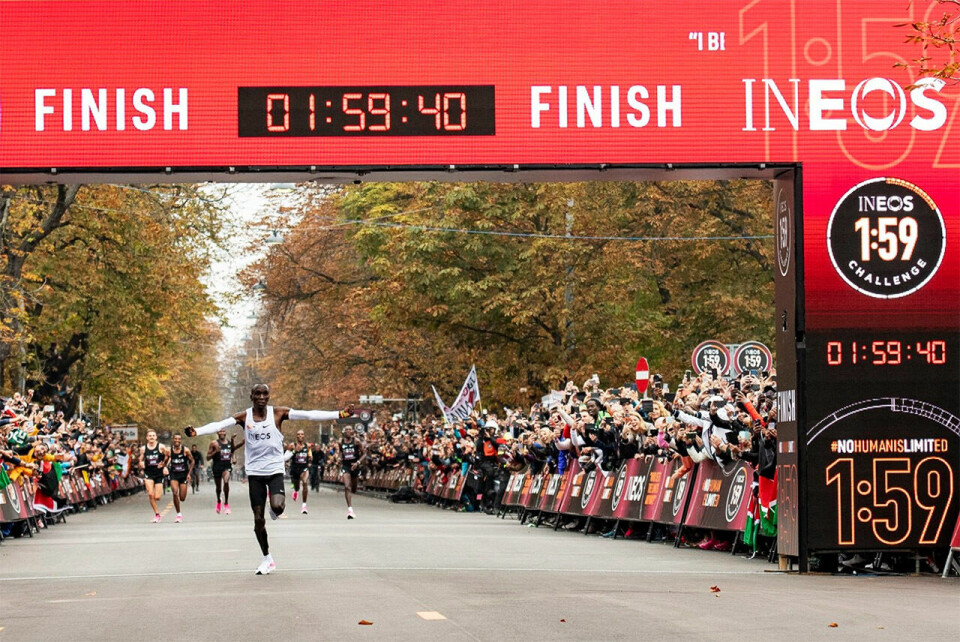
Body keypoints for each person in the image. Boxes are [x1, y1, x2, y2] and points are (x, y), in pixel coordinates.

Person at [186, 384, 353, 575]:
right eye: (257, 394)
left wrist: (340, 414)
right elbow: (220, 424)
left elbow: (308, 415)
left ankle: (273, 508)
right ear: (252, 396)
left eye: (265, 394)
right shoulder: (244, 416)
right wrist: (196, 432)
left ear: (268, 396)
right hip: (255, 472)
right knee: (258, 520)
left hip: (274, 469)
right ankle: (267, 558)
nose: (261, 397)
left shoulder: (278, 414)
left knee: (278, 507)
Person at [208, 428, 243, 514]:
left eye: (223, 431)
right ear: (217, 433)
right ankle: (218, 501)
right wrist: (215, 451)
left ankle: (226, 504)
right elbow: (208, 457)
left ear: (225, 433)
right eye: (220, 431)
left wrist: (240, 442)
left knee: (226, 481)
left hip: (227, 466)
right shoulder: (214, 443)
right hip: (217, 467)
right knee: (218, 488)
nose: (222, 433)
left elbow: (233, 451)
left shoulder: (229, 443)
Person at [139, 429, 169, 523]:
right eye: (150, 436)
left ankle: (158, 491)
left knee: (157, 497)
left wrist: (164, 465)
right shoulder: (143, 449)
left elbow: (168, 456)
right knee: (150, 494)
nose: (151, 437)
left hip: (159, 473)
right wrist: (141, 463)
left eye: (153, 435)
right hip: (148, 472)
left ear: (156, 437)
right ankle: (157, 514)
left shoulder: (161, 447)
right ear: (147, 438)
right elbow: (141, 459)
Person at [337, 425, 365, 519]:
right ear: (344, 431)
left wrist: (358, 462)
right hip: (346, 466)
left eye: (350, 429)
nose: (348, 431)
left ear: (352, 431)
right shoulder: (341, 442)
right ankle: (350, 509)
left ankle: (351, 506)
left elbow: (364, 454)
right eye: (346, 429)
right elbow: (341, 452)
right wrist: (339, 458)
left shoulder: (356, 441)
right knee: (346, 486)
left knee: (353, 489)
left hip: (355, 466)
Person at [168, 433, 195, 523]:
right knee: (175, 493)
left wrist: (189, 473)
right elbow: (165, 460)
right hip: (173, 474)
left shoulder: (185, 450)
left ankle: (179, 505)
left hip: (183, 474)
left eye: (178, 439)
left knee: (182, 498)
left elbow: (192, 461)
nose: (177, 440)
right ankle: (178, 514)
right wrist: (164, 466)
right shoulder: (169, 450)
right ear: (173, 439)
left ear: (180, 440)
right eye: (175, 438)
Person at [286, 430, 312, 514]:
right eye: (298, 434)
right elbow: (285, 457)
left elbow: (310, 456)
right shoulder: (292, 445)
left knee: (305, 482)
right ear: (296, 436)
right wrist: (294, 451)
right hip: (295, 469)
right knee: (296, 486)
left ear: (304, 436)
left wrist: (310, 458)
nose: (300, 436)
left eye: (302, 434)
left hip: (304, 468)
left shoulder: (307, 446)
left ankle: (304, 506)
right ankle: (296, 491)